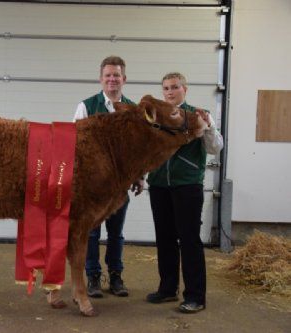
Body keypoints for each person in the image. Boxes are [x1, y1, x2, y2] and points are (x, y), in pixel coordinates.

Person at [146, 72, 223, 313]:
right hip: (159, 184)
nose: (170, 92)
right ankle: (168, 289)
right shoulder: (155, 117)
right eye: (166, 88)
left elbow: (215, 147)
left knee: (189, 240)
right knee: (165, 238)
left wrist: (208, 126)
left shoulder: (198, 115)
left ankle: (195, 296)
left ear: (185, 90)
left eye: (175, 87)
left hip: (187, 185)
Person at [73, 55, 144, 298]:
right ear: (101, 79)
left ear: (124, 79)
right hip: (91, 188)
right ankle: (92, 277)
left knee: (116, 233)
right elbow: (73, 144)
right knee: (91, 232)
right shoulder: (85, 106)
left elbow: (139, 150)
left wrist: (140, 176)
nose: (112, 79)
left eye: (116, 75)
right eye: (108, 75)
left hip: (119, 186)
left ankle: (116, 276)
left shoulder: (135, 111)